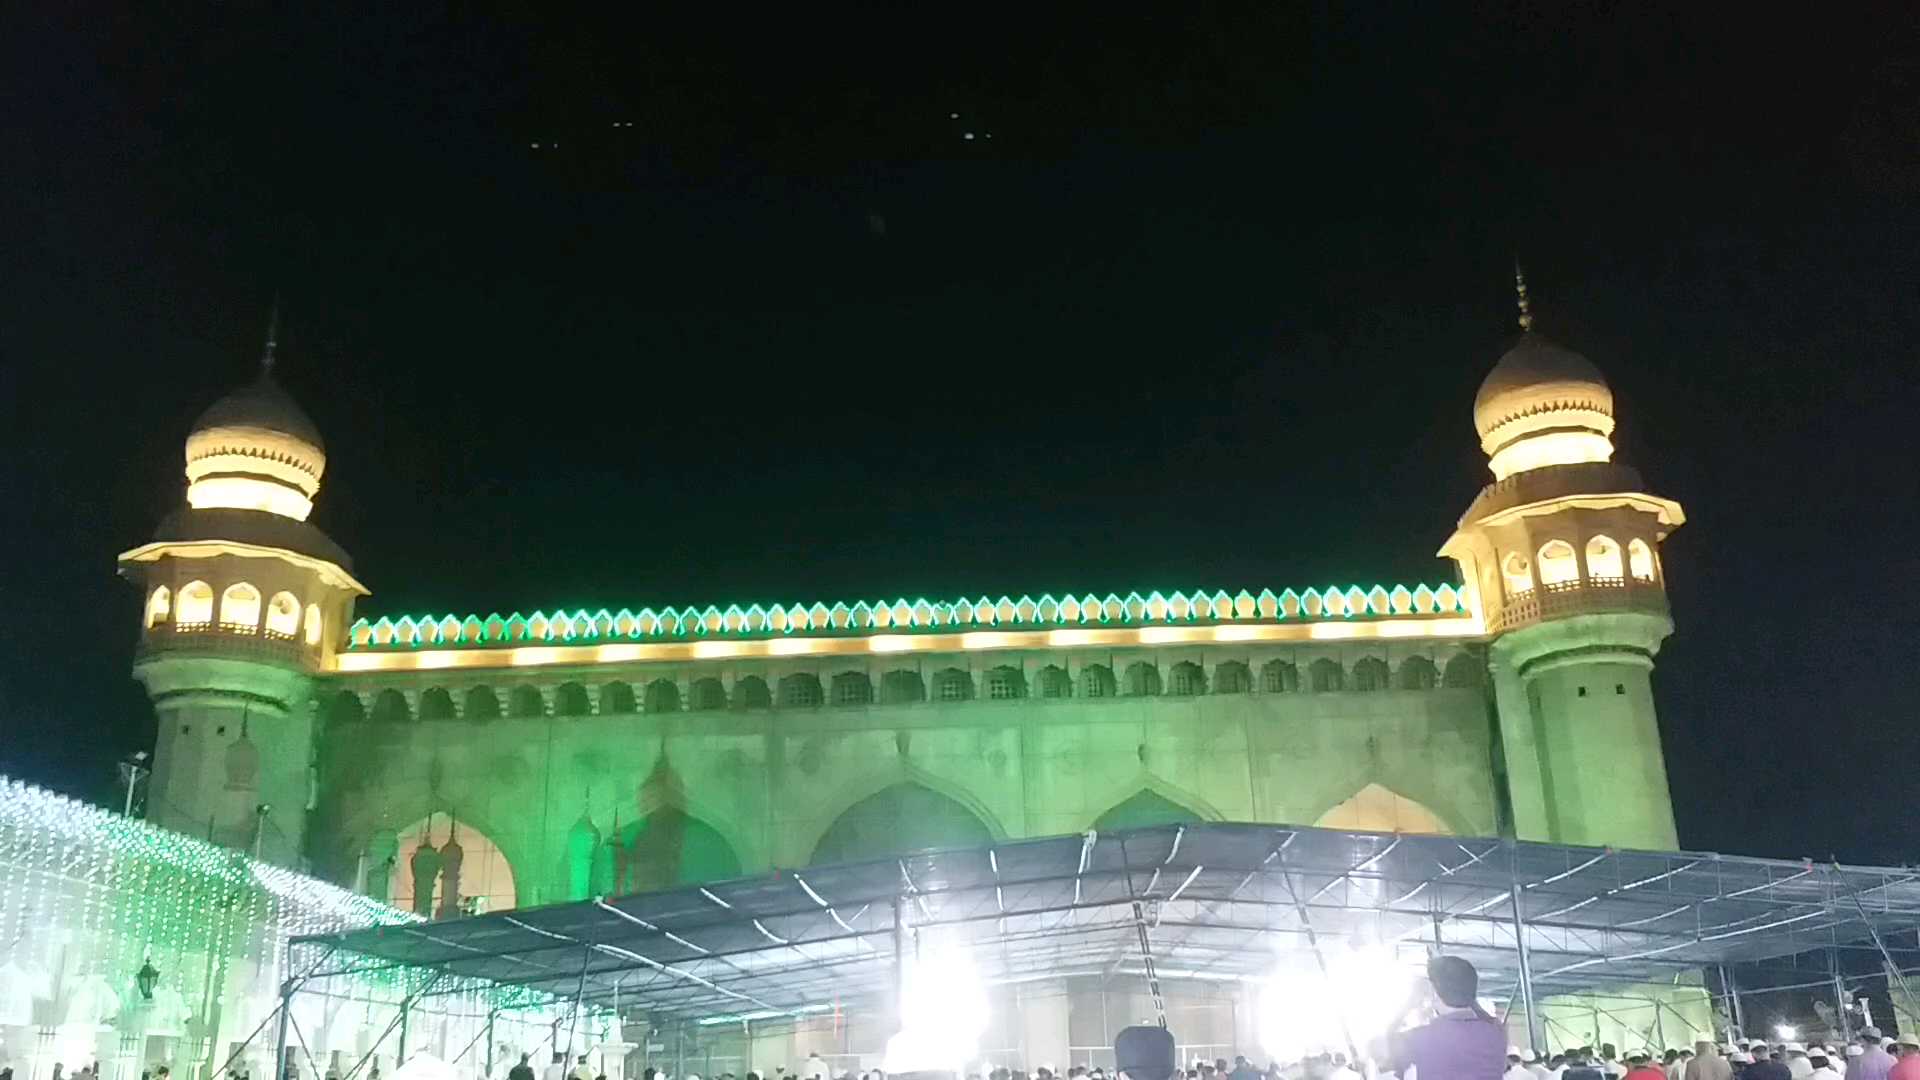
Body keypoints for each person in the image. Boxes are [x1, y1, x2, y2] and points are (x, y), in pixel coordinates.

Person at [1382, 955, 1507, 1080]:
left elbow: (1384, 1047)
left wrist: (1410, 1001)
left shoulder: (1421, 1038)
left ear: (1433, 992)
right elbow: (1484, 1016)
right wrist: (1469, 997)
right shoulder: (1496, 1032)